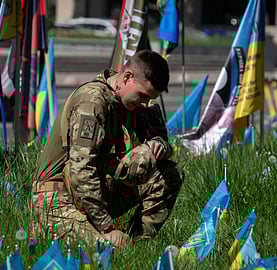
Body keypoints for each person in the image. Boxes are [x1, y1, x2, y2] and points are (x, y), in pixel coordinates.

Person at [32, 50, 184, 247]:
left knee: (170, 174)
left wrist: (157, 145)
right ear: (127, 77)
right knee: (107, 249)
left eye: (150, 99)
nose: (145, 103)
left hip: (99, 189)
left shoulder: (135, 101)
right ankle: (55, 225)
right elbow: (82, 171)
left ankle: (139, 244)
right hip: (57, 195)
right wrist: (107, 228)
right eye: (143, 96)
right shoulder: (92, 102)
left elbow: (163, 143)